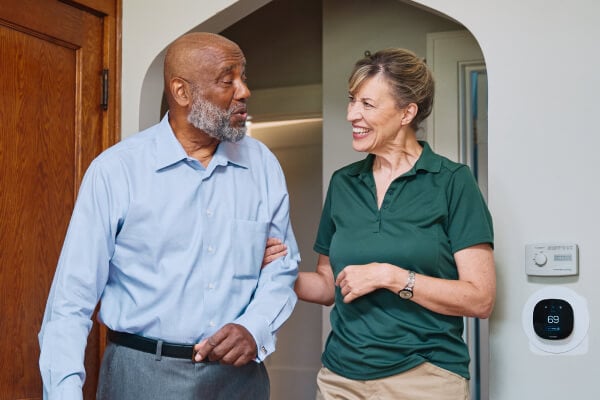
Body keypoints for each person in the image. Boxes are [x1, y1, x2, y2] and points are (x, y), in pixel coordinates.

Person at [38, 32, 300, 400]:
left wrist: (254, 328)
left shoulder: (263, 165)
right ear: (181, 92)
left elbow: (282, 266)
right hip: (141, 376)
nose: (244, 92)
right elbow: (71, 301)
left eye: (243, 78)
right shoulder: (116, 171)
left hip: (241, 381)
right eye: (229, 80)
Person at [293, 48, 496, 400]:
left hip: (424, 377)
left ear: (407, 112)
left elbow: (480, 298)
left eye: (367, 105)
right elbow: (328, 286)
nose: (351, 114)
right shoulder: (344, 184)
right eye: (352, 101)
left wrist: (391, 276)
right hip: (340, 378)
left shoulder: (452, 182)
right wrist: (274, 271)